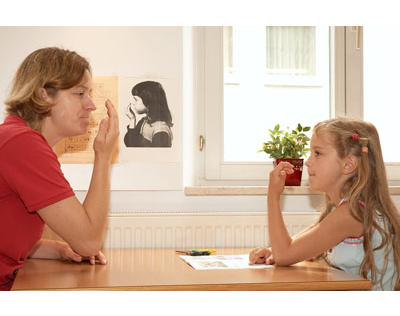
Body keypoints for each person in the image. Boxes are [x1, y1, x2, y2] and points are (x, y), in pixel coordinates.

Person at [0, 47, 119, 291]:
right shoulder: (23, 144)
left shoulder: (16, 137)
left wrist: (59, 249)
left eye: (89, 93)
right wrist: (104, 156)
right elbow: (88, 241)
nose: (91, 105)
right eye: (79, 93)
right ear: (44, 95)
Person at [249, 117, 400, 291]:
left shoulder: (351, 214)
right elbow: (291, 249)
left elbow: (285, 254)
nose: (307, 161)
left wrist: (273, 196)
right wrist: (272, 251)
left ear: (348, 164)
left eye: (318, 153)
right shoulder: (343, 209)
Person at [124, 81, 173, 147]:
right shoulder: (144, 121)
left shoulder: (161, 131)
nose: (133, 103)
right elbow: (130, 143)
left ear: (148, 102)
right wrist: (132, 119)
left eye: (136, 100)